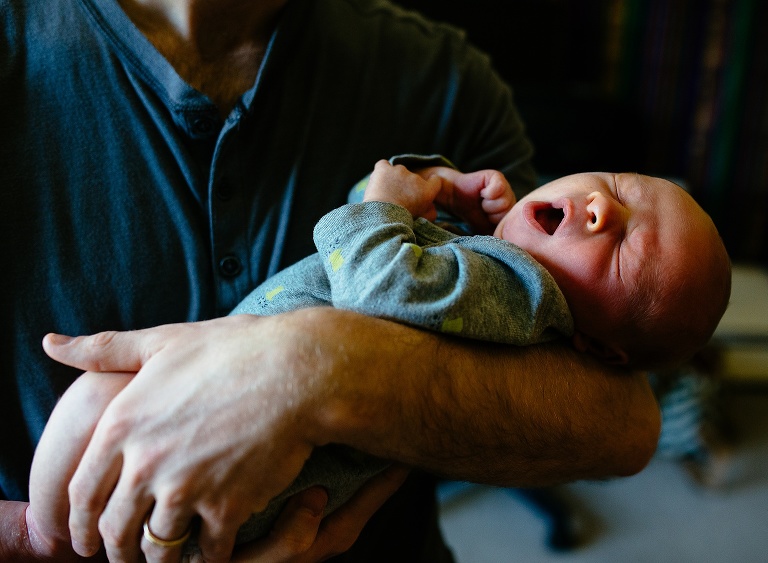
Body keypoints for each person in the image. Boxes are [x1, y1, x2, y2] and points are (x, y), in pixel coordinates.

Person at [1, 0, 664, 561]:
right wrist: (37, 545)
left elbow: (624, 422)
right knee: (87, 422)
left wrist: (321, 367)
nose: (605, 208)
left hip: (312, 520)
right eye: (616, 188)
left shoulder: (440, 77)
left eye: (637, 230)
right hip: (109, 531)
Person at [28, 155, 729, 556]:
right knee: (99, 411)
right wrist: (428, 193)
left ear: (598, 344)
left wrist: (384, 201)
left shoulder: (520, 293)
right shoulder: (485, 261)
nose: (604, 209)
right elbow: (375, 250)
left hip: (252, 479)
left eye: (628, 250)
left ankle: (39, 535)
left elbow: (375, 283)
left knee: (95, 400)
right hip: (243, 473)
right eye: (619, 185)